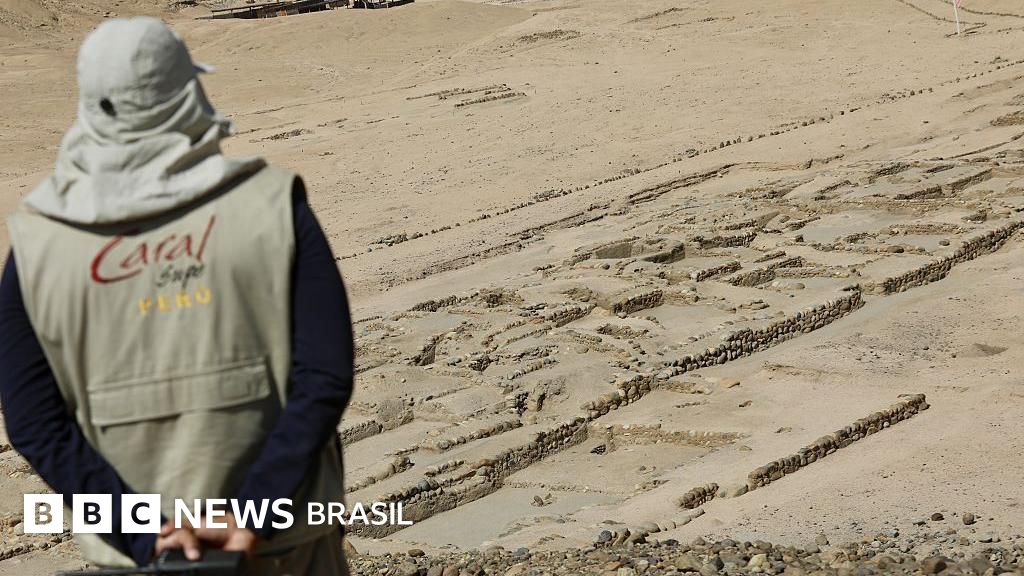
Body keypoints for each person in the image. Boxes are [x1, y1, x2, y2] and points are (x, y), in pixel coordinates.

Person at [0, 17, 354, 574]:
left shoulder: (38, 243)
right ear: (187, 92)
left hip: (135, 560)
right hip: (285, 546)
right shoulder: (272, 207)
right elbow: (325, 375)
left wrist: (146, 537)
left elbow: (33, 422)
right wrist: (253, 514)